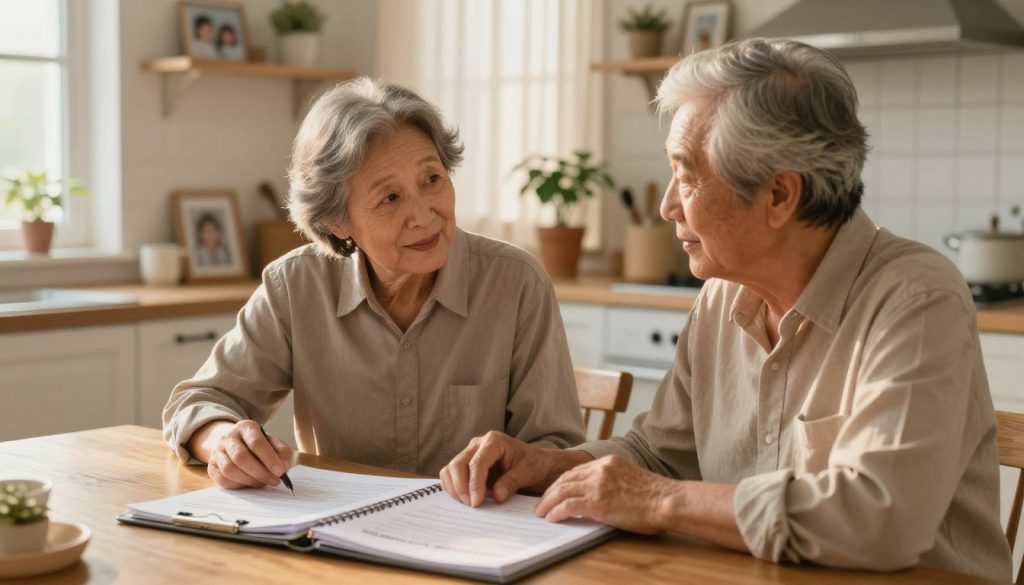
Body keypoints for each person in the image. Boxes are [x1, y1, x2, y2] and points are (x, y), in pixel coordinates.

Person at [441, 38, 1012, 581]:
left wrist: (658, 501)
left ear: (780, 196)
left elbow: (879, 518)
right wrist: (551, 467)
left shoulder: (915, 298)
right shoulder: (722, 296)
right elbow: (656, 454)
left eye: (686, 175)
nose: (667, 205)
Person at [162, 78, 584, 490]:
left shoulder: (516, 284)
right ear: (338, 221)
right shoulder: (296, 286)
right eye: (390, 198)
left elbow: (558, 450)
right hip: (333, 543)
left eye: (431, 179)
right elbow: (197, 403)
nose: (423, 215)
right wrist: (224, 441)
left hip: (477, 540)